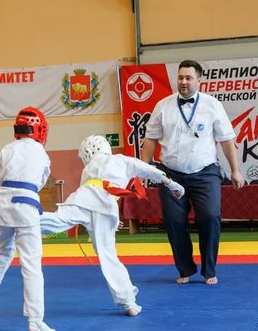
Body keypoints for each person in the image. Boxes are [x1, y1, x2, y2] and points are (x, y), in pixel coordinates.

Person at [40, 135, 185, 316]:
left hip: (85, 199)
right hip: (106, 207)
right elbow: (149, 170)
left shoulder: (89, 169)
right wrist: (172, 184)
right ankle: (129, 302)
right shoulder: (122, 160)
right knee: (108, 256)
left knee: (58, 221)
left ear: (88, 152)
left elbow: (94, 194)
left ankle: (20, 220)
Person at [141, 59, 245, 285]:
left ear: (199, 80)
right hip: (170, 174)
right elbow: (150, 140)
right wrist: (143, 170)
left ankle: (209, 270)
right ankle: (185, 269)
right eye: (180, 77)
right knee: (173, 221)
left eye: (189, 78)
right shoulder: (163, 106)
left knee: (209, 216)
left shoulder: (212, 105)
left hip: (205, 172)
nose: (184, 82)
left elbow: (227, 140)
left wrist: (235, 170)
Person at [0, 107, 56, 331]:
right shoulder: (40, 151)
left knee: (4, 250)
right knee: (31, 264)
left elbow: (2, 179)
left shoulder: (7, 149)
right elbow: (39, 181)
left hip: (3, 205)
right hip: (26, 205)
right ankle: (35, 321)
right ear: (39, 130)